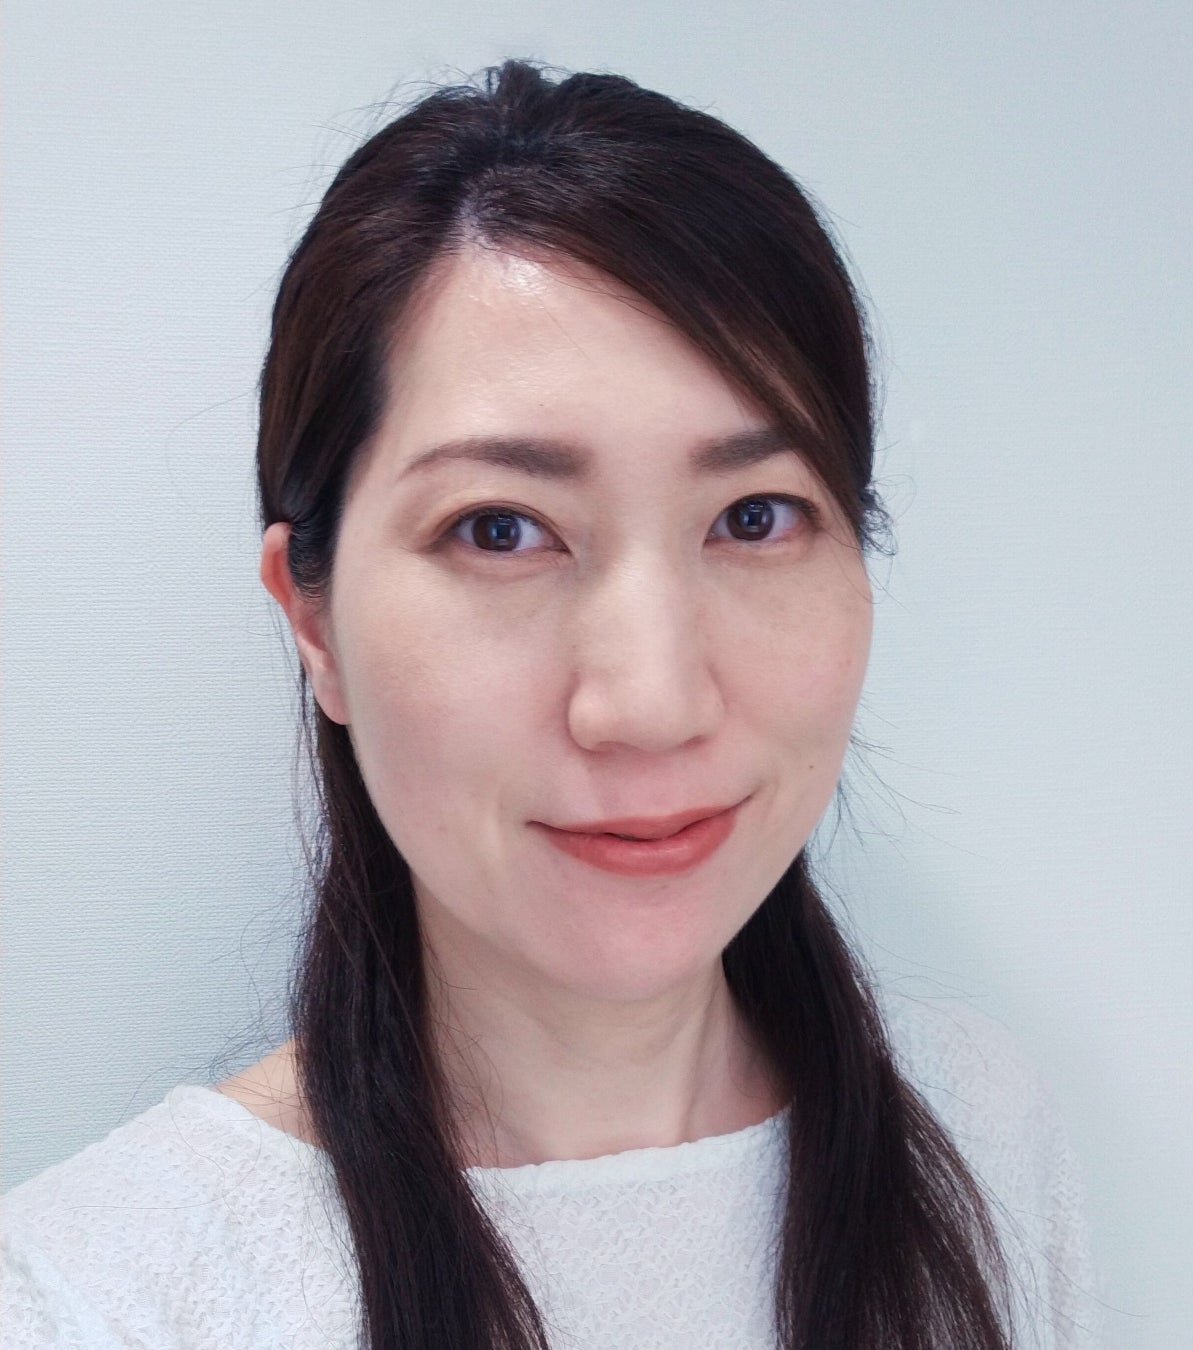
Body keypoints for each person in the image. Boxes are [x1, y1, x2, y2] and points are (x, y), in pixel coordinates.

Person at [1, 59, 1102, 1350]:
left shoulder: (976, 1129)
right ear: (313, 620)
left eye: (755, 517)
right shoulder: (94, 1298)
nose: (650, 703)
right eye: (500, 529)